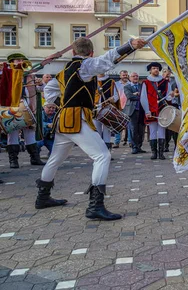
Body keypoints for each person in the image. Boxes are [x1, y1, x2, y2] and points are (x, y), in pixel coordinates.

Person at [37, 37, 146, 220]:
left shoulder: (63, 71)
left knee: (55, 158)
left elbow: (49, 90)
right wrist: (130, 45)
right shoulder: (85, 66)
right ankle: (95, 206)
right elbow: (106, 60)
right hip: (76, 119)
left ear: (72, 52)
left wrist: (58, 104)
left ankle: (43, 197)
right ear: (91, 53)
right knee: (102, 155)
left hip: (63, 120)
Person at [0, 53, 45, 168]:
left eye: (22, 60)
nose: (20, 62)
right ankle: (13, 160)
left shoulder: (30, 75)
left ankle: (35, 158)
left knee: (30, 133)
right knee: (13, 134)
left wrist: (41, 84)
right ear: (11, 62)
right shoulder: (6, 74)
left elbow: (40, 90)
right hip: (13, 107)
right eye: (17, 60)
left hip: (28, 107)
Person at [140, 62, 172, 160]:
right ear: (150, 70)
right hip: (151, 110)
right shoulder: (146, 82)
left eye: (157, 68)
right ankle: (154, 153)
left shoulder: (165, 82)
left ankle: (161, 153)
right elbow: (143, 97)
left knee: (162, 131)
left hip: (163, 110)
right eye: (154, 68)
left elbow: (169, 97)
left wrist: (172, 96)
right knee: (153, 131)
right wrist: (147, 111)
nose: (156, 70)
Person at [93, 74, 119, 153]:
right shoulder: (92, 81)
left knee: (107, 131)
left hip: (107, 109)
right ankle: (99, 153)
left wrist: (113, 99)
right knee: (97, 131)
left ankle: (107, 152)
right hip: (95, 109)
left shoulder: (111, 81)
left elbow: (116, 96)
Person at [123, 72, 146, 155]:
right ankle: (134, 147)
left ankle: (139, 146)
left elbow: (145, 96)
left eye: (137, 76)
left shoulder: (142, 86)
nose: (135, 77)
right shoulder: (127, 87)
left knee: (141, 129)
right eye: (133, 76)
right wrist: (139, 96)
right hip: (132, 110)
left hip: (142, 110)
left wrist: (137, 95)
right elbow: (129, 96)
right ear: (130, 78)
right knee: (133, 129)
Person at [113, 70, 130, 148]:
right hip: (119, 107)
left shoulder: (130, 84)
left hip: (129, 107)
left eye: (126, 75)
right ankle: (117, 142)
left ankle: (130, 141)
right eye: (123, 75)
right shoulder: (116, 84)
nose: (125, 76)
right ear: (120, 76)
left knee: (129, 126)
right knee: (118, 125)